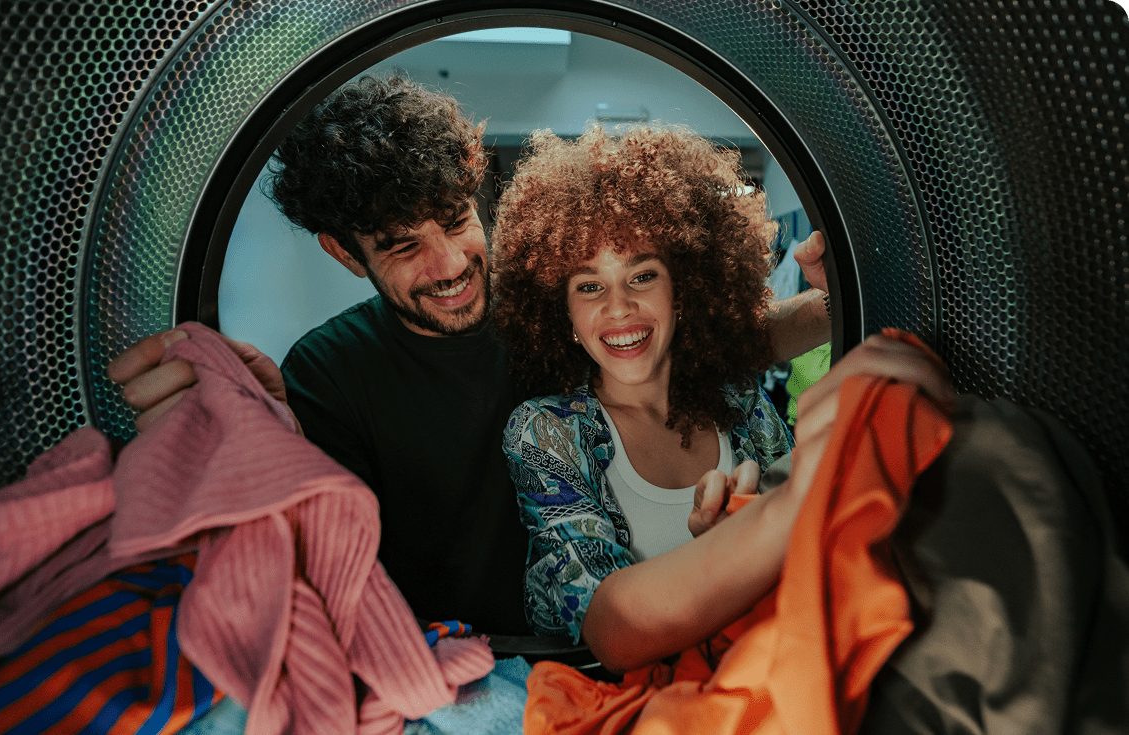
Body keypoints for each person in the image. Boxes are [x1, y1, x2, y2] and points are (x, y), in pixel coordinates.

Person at [108, 75, 834, 637]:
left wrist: (841, 301)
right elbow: (316, 552)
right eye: (403, 245)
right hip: (443, 655)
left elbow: (709, 338)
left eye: (456, 220)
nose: (451, 263)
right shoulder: (328, 374)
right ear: (344, 252)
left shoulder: (542, 305)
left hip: (571, 649)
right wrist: (266, 455)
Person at [491, 124, 952, 673]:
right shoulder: (545, 431)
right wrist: (764, 526)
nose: (619, 308)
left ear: (682, 291)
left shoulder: (738, 401)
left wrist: (851, 286)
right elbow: (612, 628)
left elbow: (804, 560)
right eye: (589, 286)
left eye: (642, 275)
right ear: (562, 315)